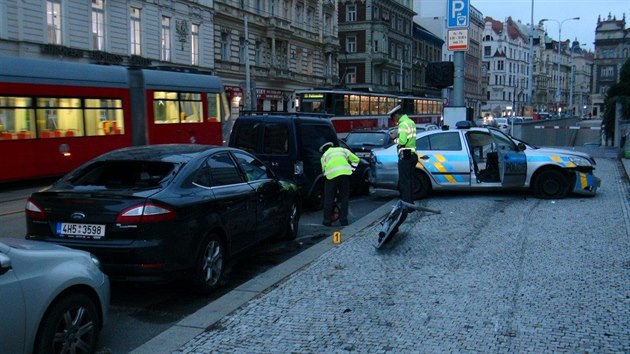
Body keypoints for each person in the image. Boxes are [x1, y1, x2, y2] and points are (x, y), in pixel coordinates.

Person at [319, 141, 359, 227]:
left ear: (324, 150)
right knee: (344, 198)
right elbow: (356, 160)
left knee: (328, 199)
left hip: (331, 177)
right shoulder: (343, 150)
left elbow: (323, 170)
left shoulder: (324, 156)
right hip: (345, 175)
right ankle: (343, 220)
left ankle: (327, 221)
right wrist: (351, 170)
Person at [388, 104, 417, 207]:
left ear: (397, 115)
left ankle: (406, 204)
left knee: (404, 181)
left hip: (405, 155)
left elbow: (403, 141)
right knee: (409, 180)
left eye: (393, 117)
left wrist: (394, 138)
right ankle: (410, 203)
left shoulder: (403, 124)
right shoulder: (411, 122)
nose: (394, 120)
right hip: (412, 155)